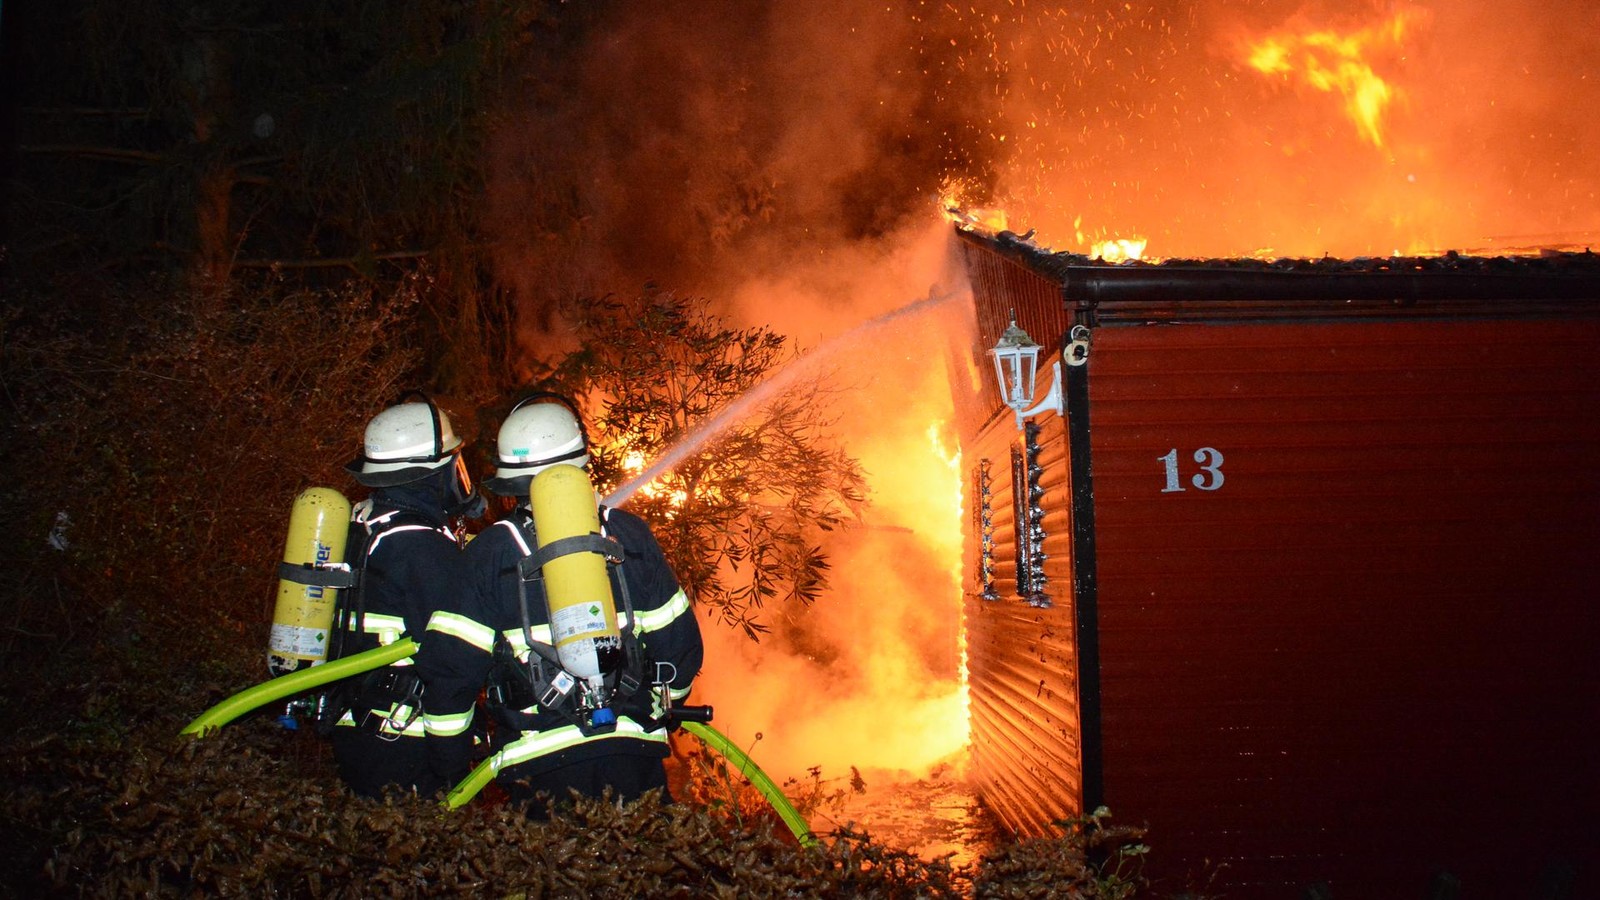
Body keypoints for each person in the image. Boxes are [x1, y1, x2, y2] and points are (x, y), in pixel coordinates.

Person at [420, 395, 703, 816]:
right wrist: (665, 709)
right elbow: (680, 648)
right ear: (582, 463)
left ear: (511, 481)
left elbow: (449, 673)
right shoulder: (629, 535)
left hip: (537, 770)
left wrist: (449, 768)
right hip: (634, 756)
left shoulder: (490, 552)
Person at [325, 395, 484, 799]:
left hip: (357, 727)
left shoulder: (364, 524)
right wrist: (453, 763)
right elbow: (451, 661)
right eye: (452, 463)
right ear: (429, 474)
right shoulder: (421, 547)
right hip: (406, 742)